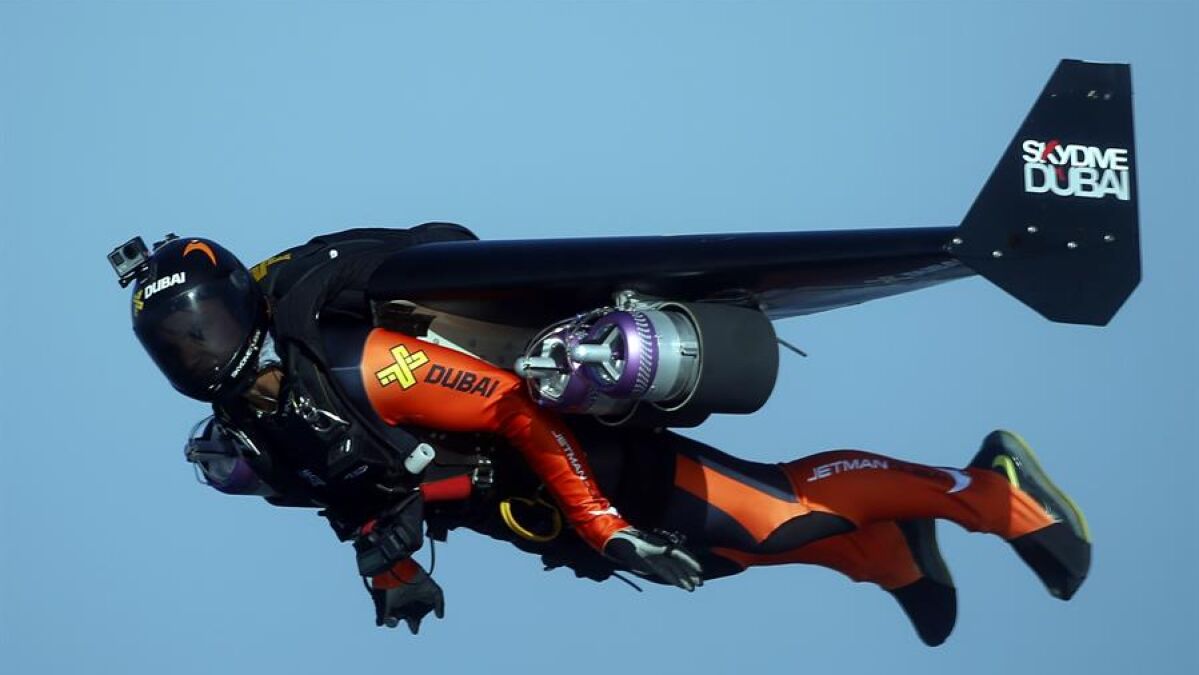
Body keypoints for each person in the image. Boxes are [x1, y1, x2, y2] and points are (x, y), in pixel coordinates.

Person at [131, 227, 1090, 645]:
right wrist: (396, 577)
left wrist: (605, 526)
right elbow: (358, 499)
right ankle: (886, 554)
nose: (199, 351)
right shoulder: (265, 436)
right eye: (176, 344)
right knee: (730, 555)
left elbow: (513, 409)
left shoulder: (362, 367)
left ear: (244, 302)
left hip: (591, 471)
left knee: (774, 515)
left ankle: (991, 488)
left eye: (202, 325)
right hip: (545, 516)